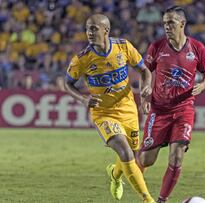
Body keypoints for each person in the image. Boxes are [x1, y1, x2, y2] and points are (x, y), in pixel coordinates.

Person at [64, 14, 155, 203]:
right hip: (103, 113)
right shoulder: (82, 59)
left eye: (94, 28)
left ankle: (115, 175)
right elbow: (67, 83)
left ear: (106, 30)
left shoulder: (123, 47)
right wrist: (83, 99)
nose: (89, 32)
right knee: (124, 151)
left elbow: (144, 70)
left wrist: (146, 87)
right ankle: (148, 200)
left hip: (128, 109)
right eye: (88, 28)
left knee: (134, 156)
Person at [138, 6, 205, 203]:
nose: (167, 27)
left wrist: (202, 86)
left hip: (184, 108)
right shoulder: (157, 47)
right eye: (164, 23)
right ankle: (123, 168)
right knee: (147, 160)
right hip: (159, 109)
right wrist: (145, 91)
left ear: (182, 23)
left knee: (177, 156)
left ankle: (162, 200)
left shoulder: (197, 48)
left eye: (170, 22)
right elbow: (145, 71)